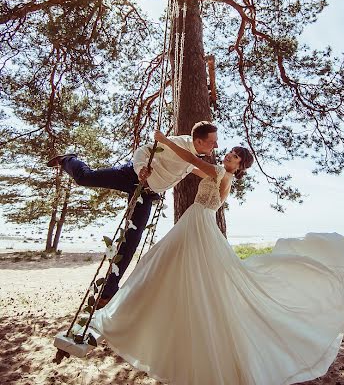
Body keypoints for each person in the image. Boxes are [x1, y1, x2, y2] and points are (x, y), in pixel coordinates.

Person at [91, 131, 344, 385]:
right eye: (229, 153)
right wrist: (158, 164)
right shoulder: (223, 176)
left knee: (159, 263)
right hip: (200, 224)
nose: (228, 156)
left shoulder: (220, 171)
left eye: (234, 156)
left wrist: (167, 141)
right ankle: (137, 306)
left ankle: (127, 309)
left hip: (197, 225)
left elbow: (187, 158)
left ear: (239, 166)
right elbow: (188, 167)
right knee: (167, 265)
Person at [46, 122, 218, 306]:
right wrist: (141, 168)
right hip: (130, 175)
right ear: (198, 141)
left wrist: (224, 175)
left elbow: (196, 168)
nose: (216, 146)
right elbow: (143, 151)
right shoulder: (177, 144)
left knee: (132, 239)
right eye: (213, 142)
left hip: (146, 194)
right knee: (84, 178)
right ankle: (68, 160)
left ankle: (107, 293)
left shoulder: (193, 153)